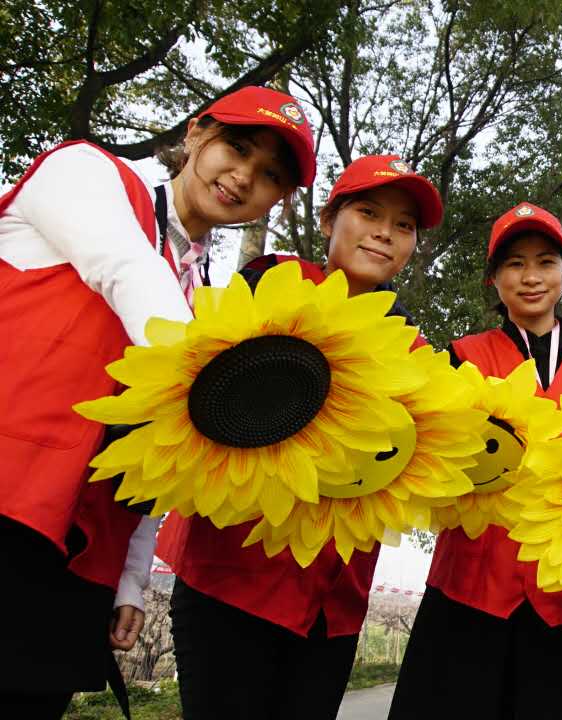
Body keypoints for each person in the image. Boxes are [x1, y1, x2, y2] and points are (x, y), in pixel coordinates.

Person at [0, 84, 313, 718]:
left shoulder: (199, 300)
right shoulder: (85, 172)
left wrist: (131, 577)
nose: (243, 176)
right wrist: (237, 394)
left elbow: (162, 454)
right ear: (197, 133)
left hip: (73, 550)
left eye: (269, 174)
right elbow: (122, 265)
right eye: (238, 146)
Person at [156, 153, 442, 720]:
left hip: (333, 606)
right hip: (232, 582)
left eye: (404, 225)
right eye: (368, 211)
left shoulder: (412, 347)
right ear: (328, 220)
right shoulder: (268, 282)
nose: (385, 232)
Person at [389, 201, 562, 720]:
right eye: (514, 263)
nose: (531, 277)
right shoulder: (459, 357)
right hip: (469, 588)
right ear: (493, 278)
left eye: (545, 261)